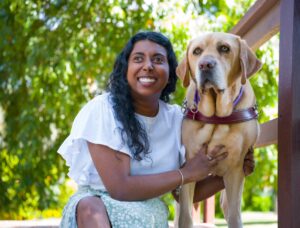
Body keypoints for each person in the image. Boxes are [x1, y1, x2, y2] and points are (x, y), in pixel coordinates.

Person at [58, 31, 255, 228]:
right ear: (126, 68)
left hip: (150, 217)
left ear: (172, 71)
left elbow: (181, 192)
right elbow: (120, 189)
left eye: (158, 59)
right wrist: (186, 173)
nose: (148, 66)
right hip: (97, 211)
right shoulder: (102, 109)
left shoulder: (178, 120)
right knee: (90, 207)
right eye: (138, 59)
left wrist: (227, 175)